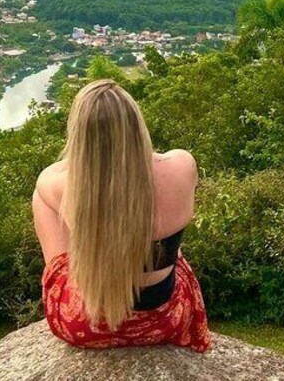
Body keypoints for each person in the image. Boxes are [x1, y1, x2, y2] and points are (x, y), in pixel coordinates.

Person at [32, 79, 211, 352]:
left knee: (41, 198)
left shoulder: (57, 185)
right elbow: (154, 164)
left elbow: (58, 171)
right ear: (137, 123)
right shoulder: (182, 166)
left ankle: (80, 281)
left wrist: (93, 158)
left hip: (85, 325)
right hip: (166, 318)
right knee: (169, 247)